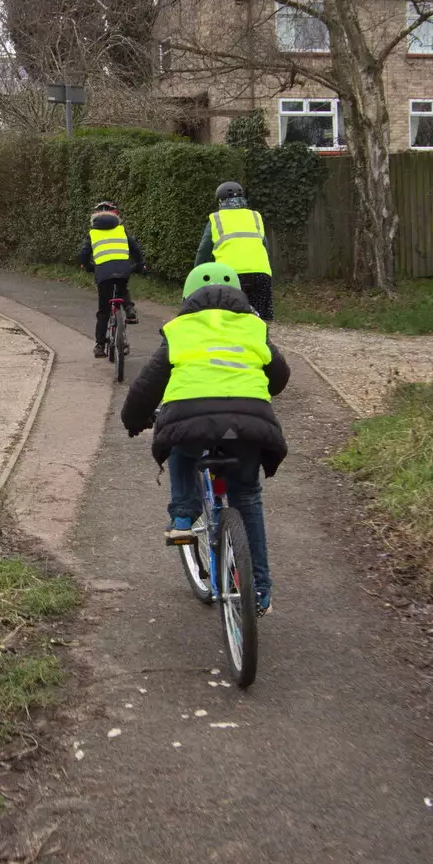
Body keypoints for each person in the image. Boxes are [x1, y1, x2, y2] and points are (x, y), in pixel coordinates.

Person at [120, 262, 289, 613]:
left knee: (183, 447)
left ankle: (183, 516)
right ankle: (259, 589)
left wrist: (134, 420)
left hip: (191, 418)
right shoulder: (254, 327)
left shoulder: (180, 330)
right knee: (247, 496)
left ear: (187, 297)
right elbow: (280, 375)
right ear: (239, 295)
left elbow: (147, 386)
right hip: (249, 423)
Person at [194, 181, 274, 321]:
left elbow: (203, 251)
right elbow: (265, 246)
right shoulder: (255, 216)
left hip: (230, 276)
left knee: (230, 317)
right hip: (261, 274)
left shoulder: (216, 218)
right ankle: (261, 340)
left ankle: (232, 341)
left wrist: (197, 274)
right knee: (258, 318)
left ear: (220, 201)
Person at [79, 200, 146, 359]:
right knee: (122, 287)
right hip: (123, 269)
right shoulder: (121, 231)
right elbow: (135, 248)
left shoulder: (93, 234)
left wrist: (86, 265)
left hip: (103, 272)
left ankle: (100, 346)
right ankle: (129, 309)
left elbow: (83, 254)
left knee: (103, 310)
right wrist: (140, 264)